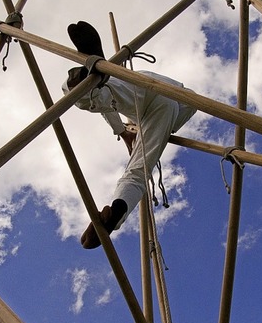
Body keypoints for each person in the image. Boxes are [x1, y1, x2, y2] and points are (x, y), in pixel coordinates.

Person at [62, 21, 197, 249]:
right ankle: (116, 212)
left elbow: (109, 109)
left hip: (139, 92)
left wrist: (124, 131)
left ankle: (86, 78)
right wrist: (132, 131)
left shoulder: (123, 87)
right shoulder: (134, 85)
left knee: (101, 96)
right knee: (139, 167)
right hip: (175, 95)